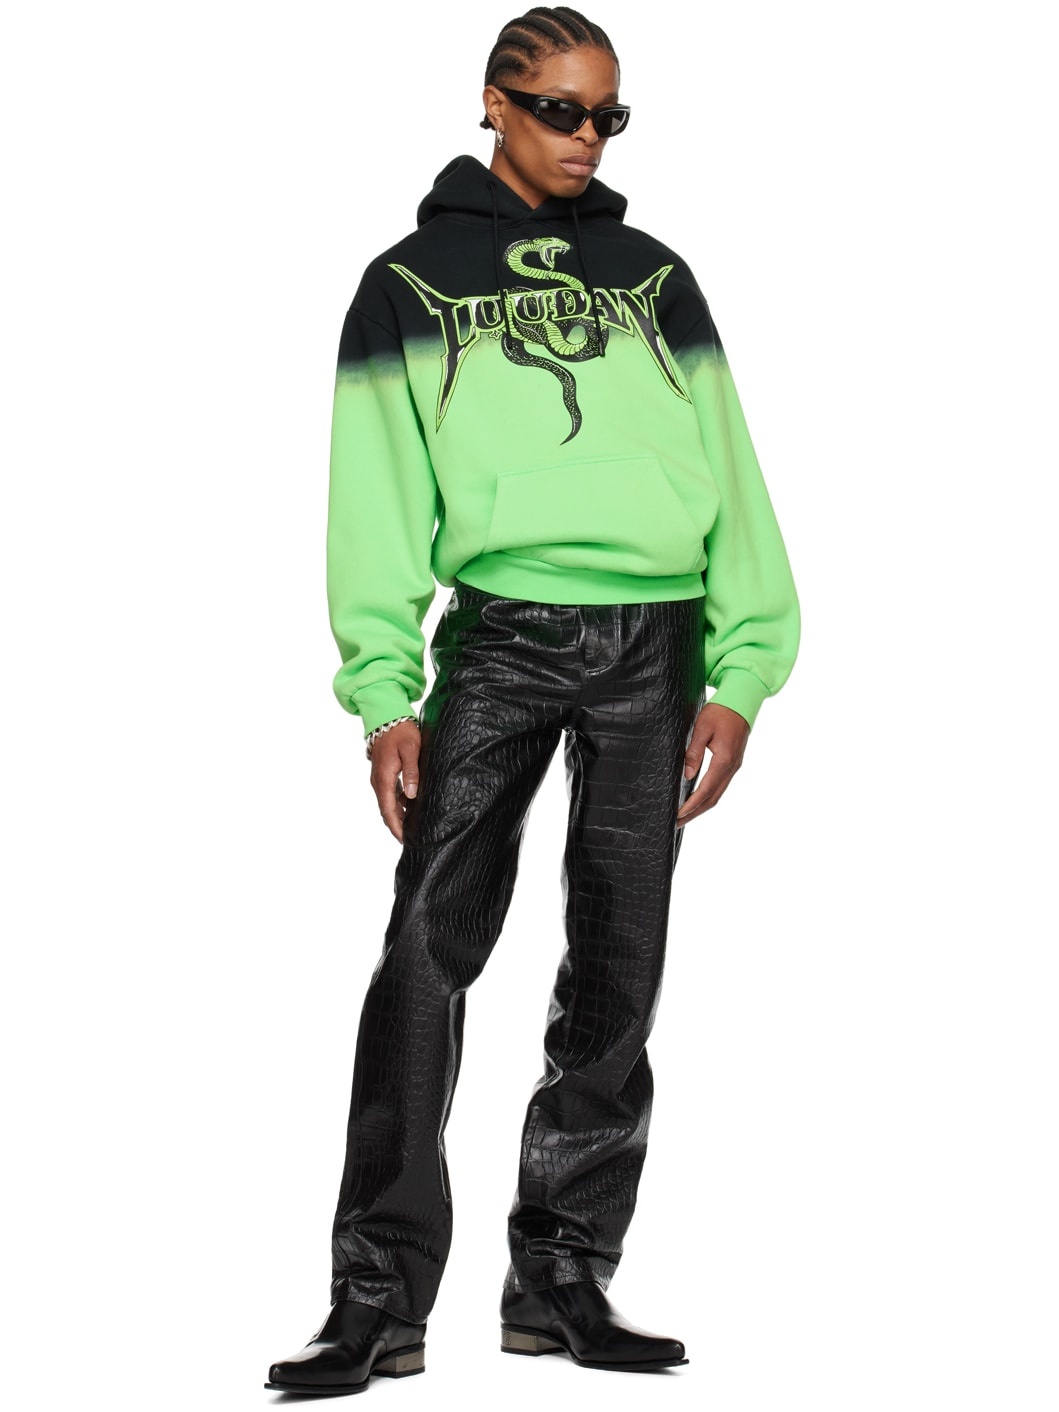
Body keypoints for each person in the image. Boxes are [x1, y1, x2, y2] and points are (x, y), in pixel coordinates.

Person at [266, 4, 800, 1395]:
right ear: (494, 103)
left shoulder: (656, 275)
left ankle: (562, 1279)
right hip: (499, 638)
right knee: (426, 955)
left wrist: (745, 668)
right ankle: (374, 1298)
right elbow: (375, 497)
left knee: (620, 963)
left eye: (608, 115)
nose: (587, 138)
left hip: (657, 641)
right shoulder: (407, 282)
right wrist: (384, 693)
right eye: (560, 109)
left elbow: (731, 467)